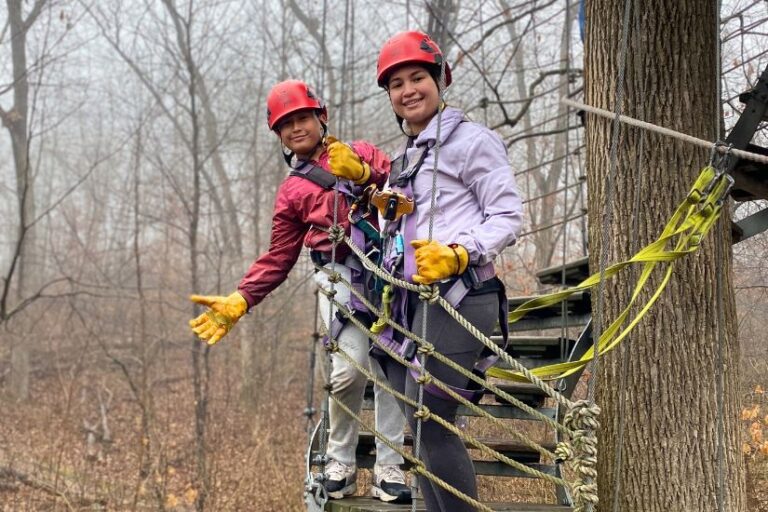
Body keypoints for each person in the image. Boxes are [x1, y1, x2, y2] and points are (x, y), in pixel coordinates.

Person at [187, 79, 411, 503]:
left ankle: (390, 467)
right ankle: (340, 461)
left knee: (390, 368)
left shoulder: (361, 152)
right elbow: (279, 256)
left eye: (302, 118)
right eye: (285, 125)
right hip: (337, 276)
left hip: (387, 272)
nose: (295, 128)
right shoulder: (292, 191)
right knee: (348, 370)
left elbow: (404, 190)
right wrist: (242, 298)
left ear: (320, 117)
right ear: (279, 135)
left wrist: (365, 174)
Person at [371, 31, 523, 511]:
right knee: (419, 423)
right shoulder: (405, 159)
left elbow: (507, 216)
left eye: (417, 78)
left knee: (431, 417)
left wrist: (460, 252)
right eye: (397, 84)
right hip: (412, 301)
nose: (408, 90)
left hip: (461, 293)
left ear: (440, 81)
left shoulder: (473, 142)